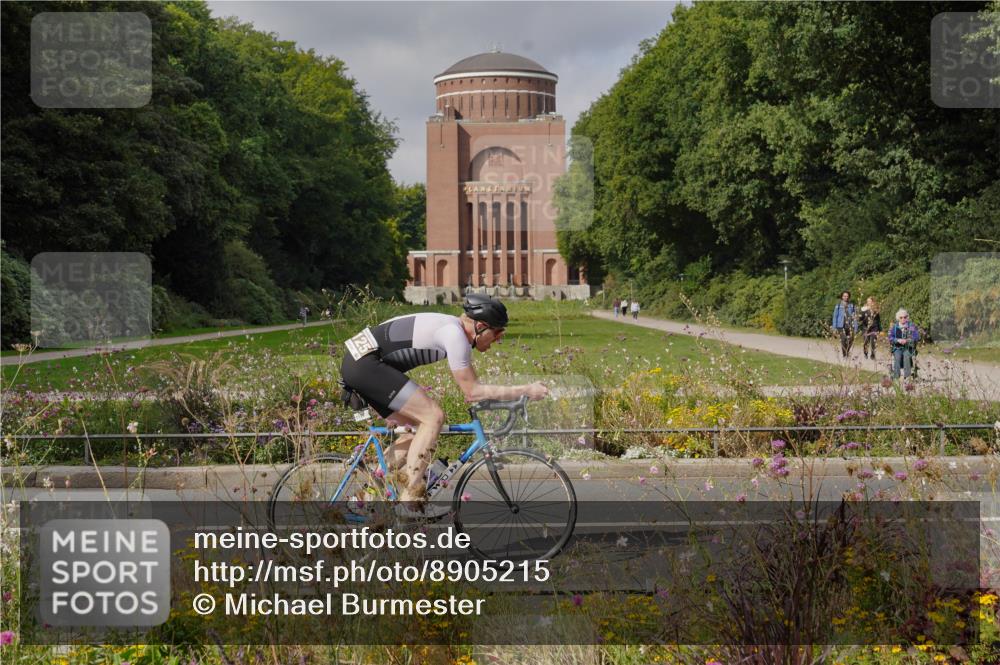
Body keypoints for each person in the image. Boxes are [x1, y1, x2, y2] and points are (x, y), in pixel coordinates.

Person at [339, 294, 548, 516]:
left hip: (361, 360)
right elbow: (473, 391)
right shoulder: (455, 335)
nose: (498, 340)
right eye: (497, 333)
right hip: (366, 363)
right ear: (480, 326)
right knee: (433, 417)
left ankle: (364, 497)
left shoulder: (449, 326)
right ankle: (410, 498)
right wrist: (526, 390)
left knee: (414, 431)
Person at [888, 308, 920, 380]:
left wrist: (908, 340)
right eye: (901, 317)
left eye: (905, 317)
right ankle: (896, 376)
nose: (903, 319)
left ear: (907, 317)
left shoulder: (911, 326)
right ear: (898, 318)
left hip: (908, 347)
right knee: (897, 356)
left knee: (906, 355)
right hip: (897, 347)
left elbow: (916, 336)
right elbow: (890, 337)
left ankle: (907, 376)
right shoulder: (895, 327)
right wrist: (897, 340)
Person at [831, 291, 857, 358]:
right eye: (844, 296)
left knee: (851, 339)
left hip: (849, 325)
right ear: (842, 297)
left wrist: (856, 327)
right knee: (843, 339)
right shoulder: (838, 305)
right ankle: (844, 355)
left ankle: (847, 351)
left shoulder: (852, 305)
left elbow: (855, 317)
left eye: (847, 296)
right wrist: (834, 327)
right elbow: (835, 316)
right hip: (840, 325)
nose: (846, 297)